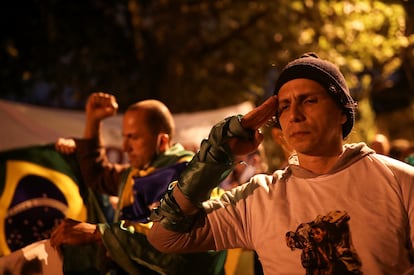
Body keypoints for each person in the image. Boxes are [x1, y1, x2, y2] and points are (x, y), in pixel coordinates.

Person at [148, 53, 414, 274]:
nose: (294, 115)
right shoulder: (258, 198)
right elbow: (164, 237)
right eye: (284, 106)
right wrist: (215, 157)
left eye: (309, 100)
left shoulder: (401, 181)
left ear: (342, 112)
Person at [0, 93, 227, 275]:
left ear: (162, 140)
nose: (126, 147)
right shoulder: (136, 174)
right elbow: (97, 176)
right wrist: (93, 121)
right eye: (124, 137)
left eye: (134, 138)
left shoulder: (189, 176)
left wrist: (98, 233)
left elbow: (173, 238)